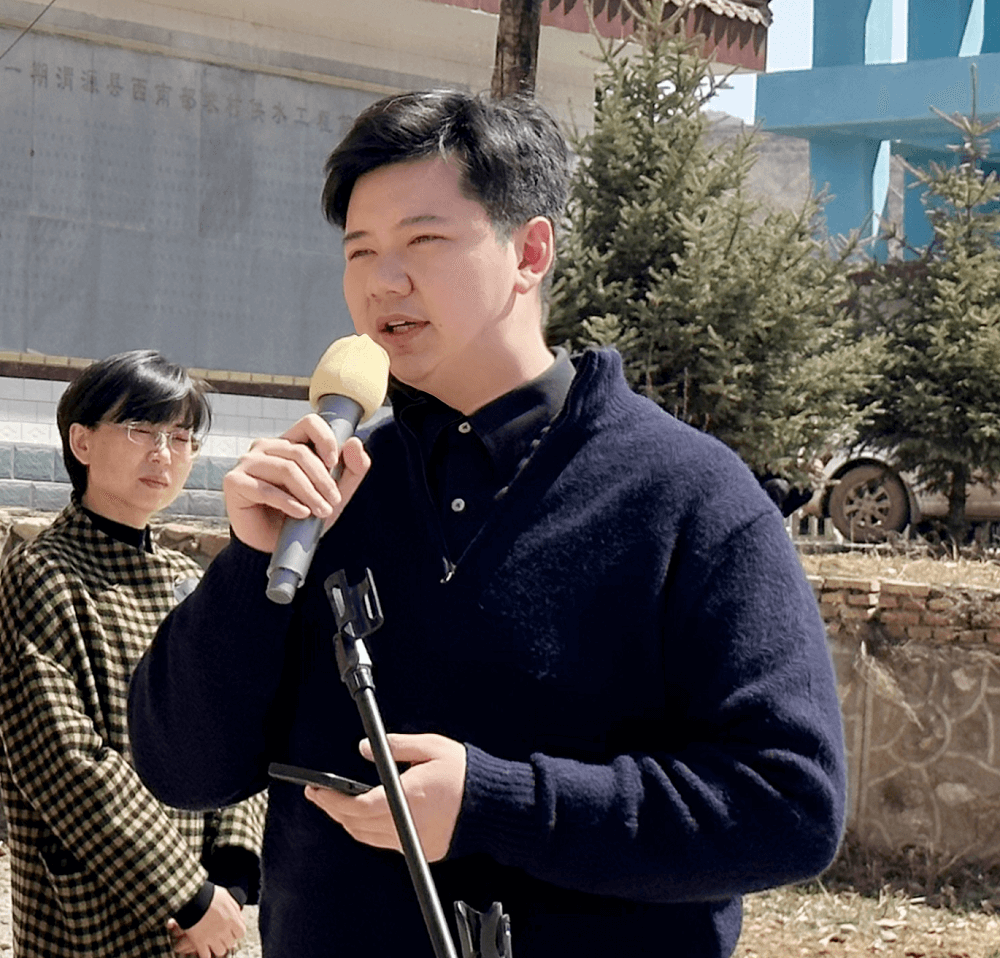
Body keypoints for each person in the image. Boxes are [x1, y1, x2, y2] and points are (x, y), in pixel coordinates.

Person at [127, 91, 847, 958]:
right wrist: (249, 562)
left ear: (529, 252)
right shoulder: (330, 495)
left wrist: (496, 804)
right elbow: (182, 769)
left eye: (424, 241)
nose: (383, 282)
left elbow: (790, 805)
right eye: (360, 251)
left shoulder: (690, 495)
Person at [0, 350, 266, 958]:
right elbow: (65, 762)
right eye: (141, 429)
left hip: (202, 919)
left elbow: (237, 726)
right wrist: (187, 896)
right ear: (82, 442)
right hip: (90, 911)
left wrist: (228, 878)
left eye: (181, 436)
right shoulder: (42, 574)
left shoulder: (187, 579)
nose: (164, 453)